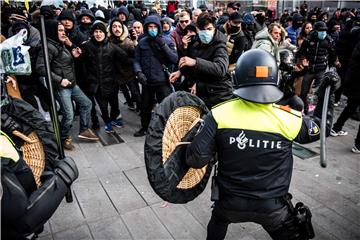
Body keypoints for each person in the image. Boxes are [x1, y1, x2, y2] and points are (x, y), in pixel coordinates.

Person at [185, 49, 339, 240]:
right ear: (275, 79)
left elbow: (196, 159)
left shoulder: (218, 114)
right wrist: (327, 92)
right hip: (272, 208)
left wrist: (197, 134)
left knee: (218, 220)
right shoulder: (288, 118)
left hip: (229, 202)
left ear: (237, 78)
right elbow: (321, 127)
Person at [36, 20, 99, 150]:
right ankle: (63, 138)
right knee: (69, 115)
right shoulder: (48, 47)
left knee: (87, 104)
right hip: (62, 87)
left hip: (71, 83)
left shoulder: (60, 44)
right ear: (52, 31)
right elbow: (41, 68)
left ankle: (84, 130)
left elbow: (62, 63)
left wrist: (73, 55)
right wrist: (59, 80)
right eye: (60, 30)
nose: (63, 33)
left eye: (63, 30)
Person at [169, 12, 233, 109]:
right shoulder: (197, 42)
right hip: (203, 92)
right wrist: (180, 72)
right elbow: (192, 64)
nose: (206, 32)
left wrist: (196, 62)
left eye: (209, 29)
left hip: (218, 95)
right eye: (203, 30)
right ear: (198, 29)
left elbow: (220, 69)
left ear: (214, 28)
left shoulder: (220, 46)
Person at [80, 22, 131, 133]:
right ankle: (107, 122)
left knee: (114, 104)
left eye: (100, 32)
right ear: (93, 33)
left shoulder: (112, 46)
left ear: (105, 33)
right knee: (102, 106)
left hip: (111, 81)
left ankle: (114, 119)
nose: (98, 34)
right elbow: (81, 61)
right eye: (96, 32)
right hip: (95, 83)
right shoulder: (86, 46)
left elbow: (125, 58)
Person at [133, 15, 178, 137]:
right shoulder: (142, 43)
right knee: (145, 107)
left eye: (154, 27)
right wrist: (139, 72)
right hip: (147, 81)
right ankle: (144, 127)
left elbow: (174, 59)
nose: (152, 29)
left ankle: (168, 129)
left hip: (162, 81)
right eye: (150, 27)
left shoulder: (167, 41)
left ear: (159, 28)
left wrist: (163, 45)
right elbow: (136, 60)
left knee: (166, 107)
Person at [297, 21, 338, 114]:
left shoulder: (329, 40)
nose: (323, 32)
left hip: (321, 70)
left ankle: (318, 113)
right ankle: (306, 109)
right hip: (309, 69)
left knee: (320, 93)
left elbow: (333, 55)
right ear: (316, 30)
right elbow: (301, 52)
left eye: (324, 30)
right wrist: (302, 59)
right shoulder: (309, 39)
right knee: (303, 92)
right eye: (321, 30)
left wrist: (332, 67)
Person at [331, 40, 360, 153]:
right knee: (350, 107)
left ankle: (336, 127)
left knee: (350, 107)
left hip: (354, 83)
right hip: (356, 82)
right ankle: (358, 144)